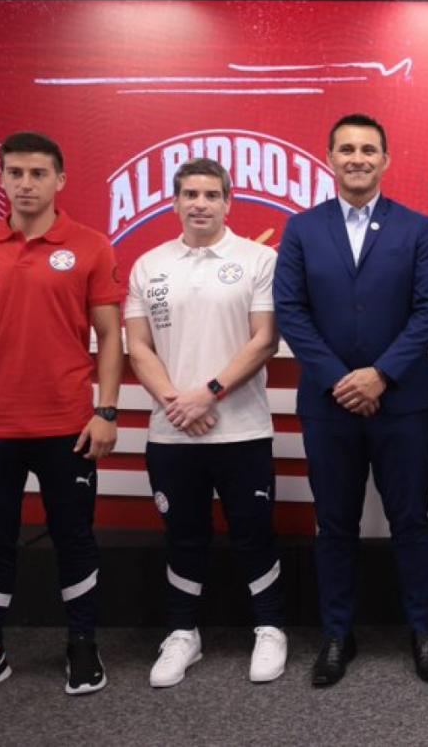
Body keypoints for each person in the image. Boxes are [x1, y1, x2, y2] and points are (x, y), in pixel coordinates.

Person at [0, 132, 123, 710]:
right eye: (15, 172)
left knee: (74, 539)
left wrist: (106, 410)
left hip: (67, 423)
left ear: (60, 180)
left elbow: (112, 334)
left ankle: (83, 643)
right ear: (0, 179)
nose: (26, 183)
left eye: (38, 173)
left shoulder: (90, 247)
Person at [273, 113, 428, 687]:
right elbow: (292, 314)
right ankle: (335, 634)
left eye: (368, 149)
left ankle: (423, 632)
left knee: (411, 521)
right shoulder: (301, 229)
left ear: (386, 160)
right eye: (346, 149)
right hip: (329, 406)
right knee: (335, 523)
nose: (357, 158)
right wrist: (341, 380)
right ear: (330, 157)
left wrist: (380, 376)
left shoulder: (417, 227)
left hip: (402, 403)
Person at [124, 158, 287, 688]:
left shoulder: (258, 259)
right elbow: (137, 345)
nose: (200, 203)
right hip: (173, 431)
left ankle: (269, 628)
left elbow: (264, 339)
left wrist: (209, 392)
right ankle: (182, 635)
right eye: (190, 194)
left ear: (227, 201)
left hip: (242, 429)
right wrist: (177, 401)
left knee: (254, 534)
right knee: (184, 536)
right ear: (174, 202)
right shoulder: (149, 265)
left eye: (211, 195)